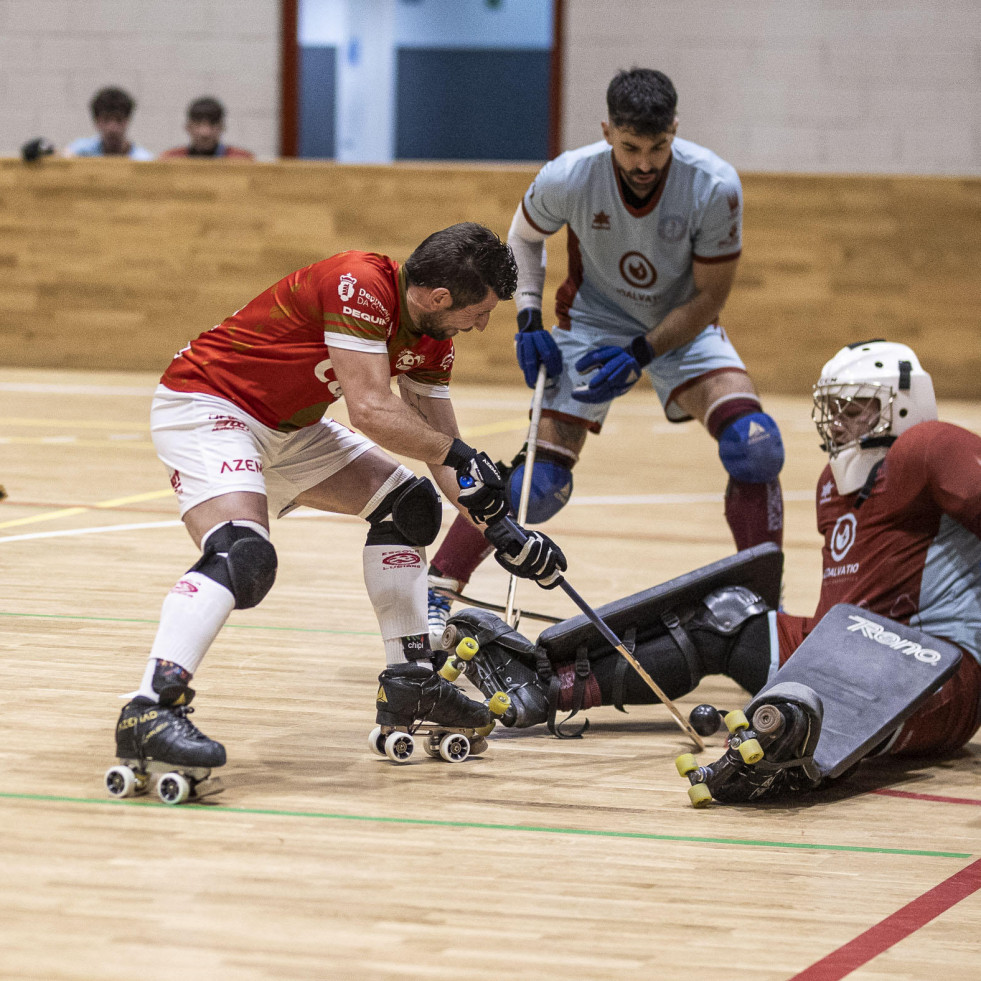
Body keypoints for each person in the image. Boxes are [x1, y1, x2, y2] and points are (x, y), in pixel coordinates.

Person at [109, 223, 567, 787]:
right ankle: (150, 706)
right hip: (210, 406)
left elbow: (447, 458)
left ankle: (411, 680)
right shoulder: (358, 283)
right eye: (480, 312)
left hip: (290, 430)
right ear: (439, 298)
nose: (480, 325)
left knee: (410, 506)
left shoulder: (433, 334)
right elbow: (372, 411)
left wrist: (505, 534)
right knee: (242, 556)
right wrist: (464, 460)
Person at [448, 340, 981, 802]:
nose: (838, 422)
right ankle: (545, 687)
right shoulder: (829, 485)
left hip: (934, 667)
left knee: (798, 713)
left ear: (904, 409)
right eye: (833, 409)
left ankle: (796, 744)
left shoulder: (929, 446)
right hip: (840, 651)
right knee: (723, 615)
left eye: (855, 408)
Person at [425, 67, 785, 646]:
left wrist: (641, 353)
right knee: (537, 488)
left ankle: (766, 609)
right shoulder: (571, 175)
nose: (644, 163)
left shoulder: (714, 185)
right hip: (591, 325)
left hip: (682, 325)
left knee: (756, 447)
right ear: (606, 131)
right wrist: (527, 319)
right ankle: (439, 584)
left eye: (658, 147)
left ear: (675, 131)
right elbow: (522, 237)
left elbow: (711, 296)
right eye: (630, 147)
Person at [65, 87, 153, 160]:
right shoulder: (80, 152)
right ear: (96, 121)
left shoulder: (143, 160)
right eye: (106, 120)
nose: (112, 128)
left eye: (119, 120)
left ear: (127, 121)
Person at [159, 97, 255, 160]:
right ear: (188, 127)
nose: (205, 132)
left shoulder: (241, 160)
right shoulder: (170, 160)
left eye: (212, 124)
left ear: (222, 127)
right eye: (198, 124)